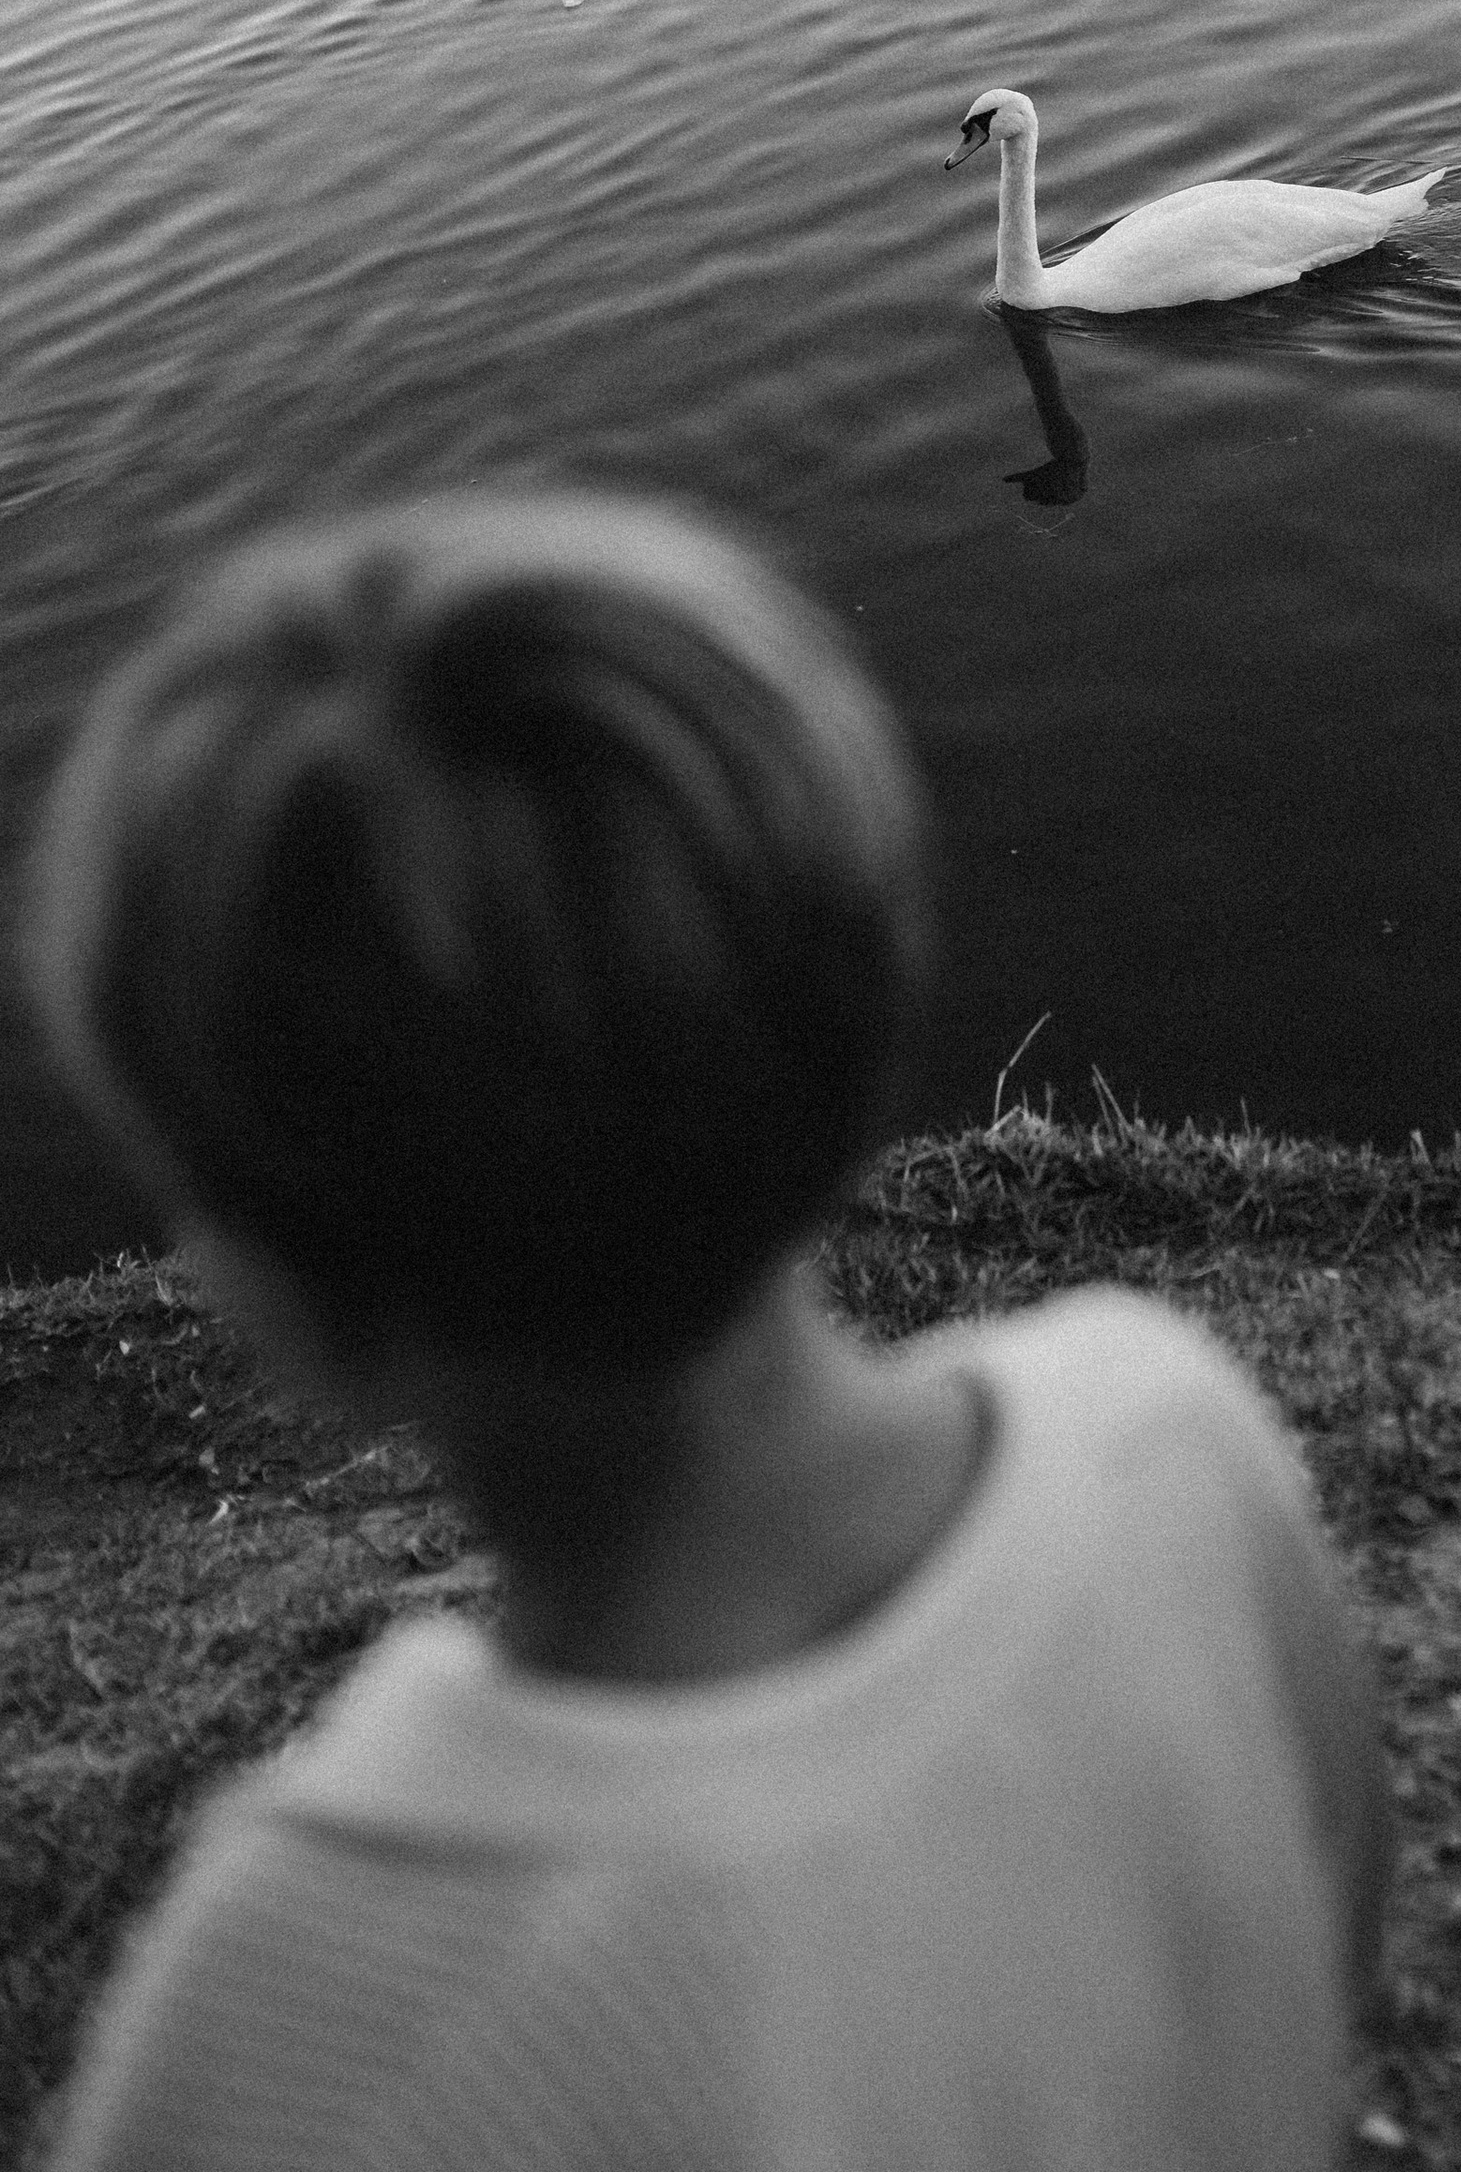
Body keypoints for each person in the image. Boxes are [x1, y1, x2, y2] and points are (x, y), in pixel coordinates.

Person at [28, 491, 1387, 2172]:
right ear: (864, 1003)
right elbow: (1342, 1920)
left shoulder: (295, 2016)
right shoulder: (1175, 1426)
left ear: (282, 1295)